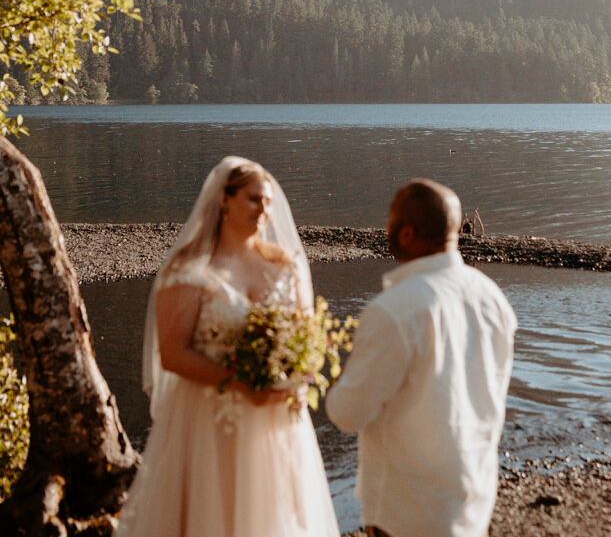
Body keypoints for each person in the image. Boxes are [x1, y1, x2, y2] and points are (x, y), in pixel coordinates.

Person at [117, 156, 340, 537]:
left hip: (278, 418)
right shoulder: (189, 269)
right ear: (224, 198)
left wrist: (299, 379)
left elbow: (308, 338)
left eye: (268, 201)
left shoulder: (286, 266)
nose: (264, 210)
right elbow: (172, 354)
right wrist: (242, 384)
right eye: (254, 199)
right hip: (210, 416)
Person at [326, 178, 517, 537]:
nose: (387, 226)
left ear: (407, 233)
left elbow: (347, 414)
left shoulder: (394, 310)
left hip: (407, 511)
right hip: (473, 497)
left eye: (390, 218)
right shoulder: (491, 298)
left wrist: (316, 376)